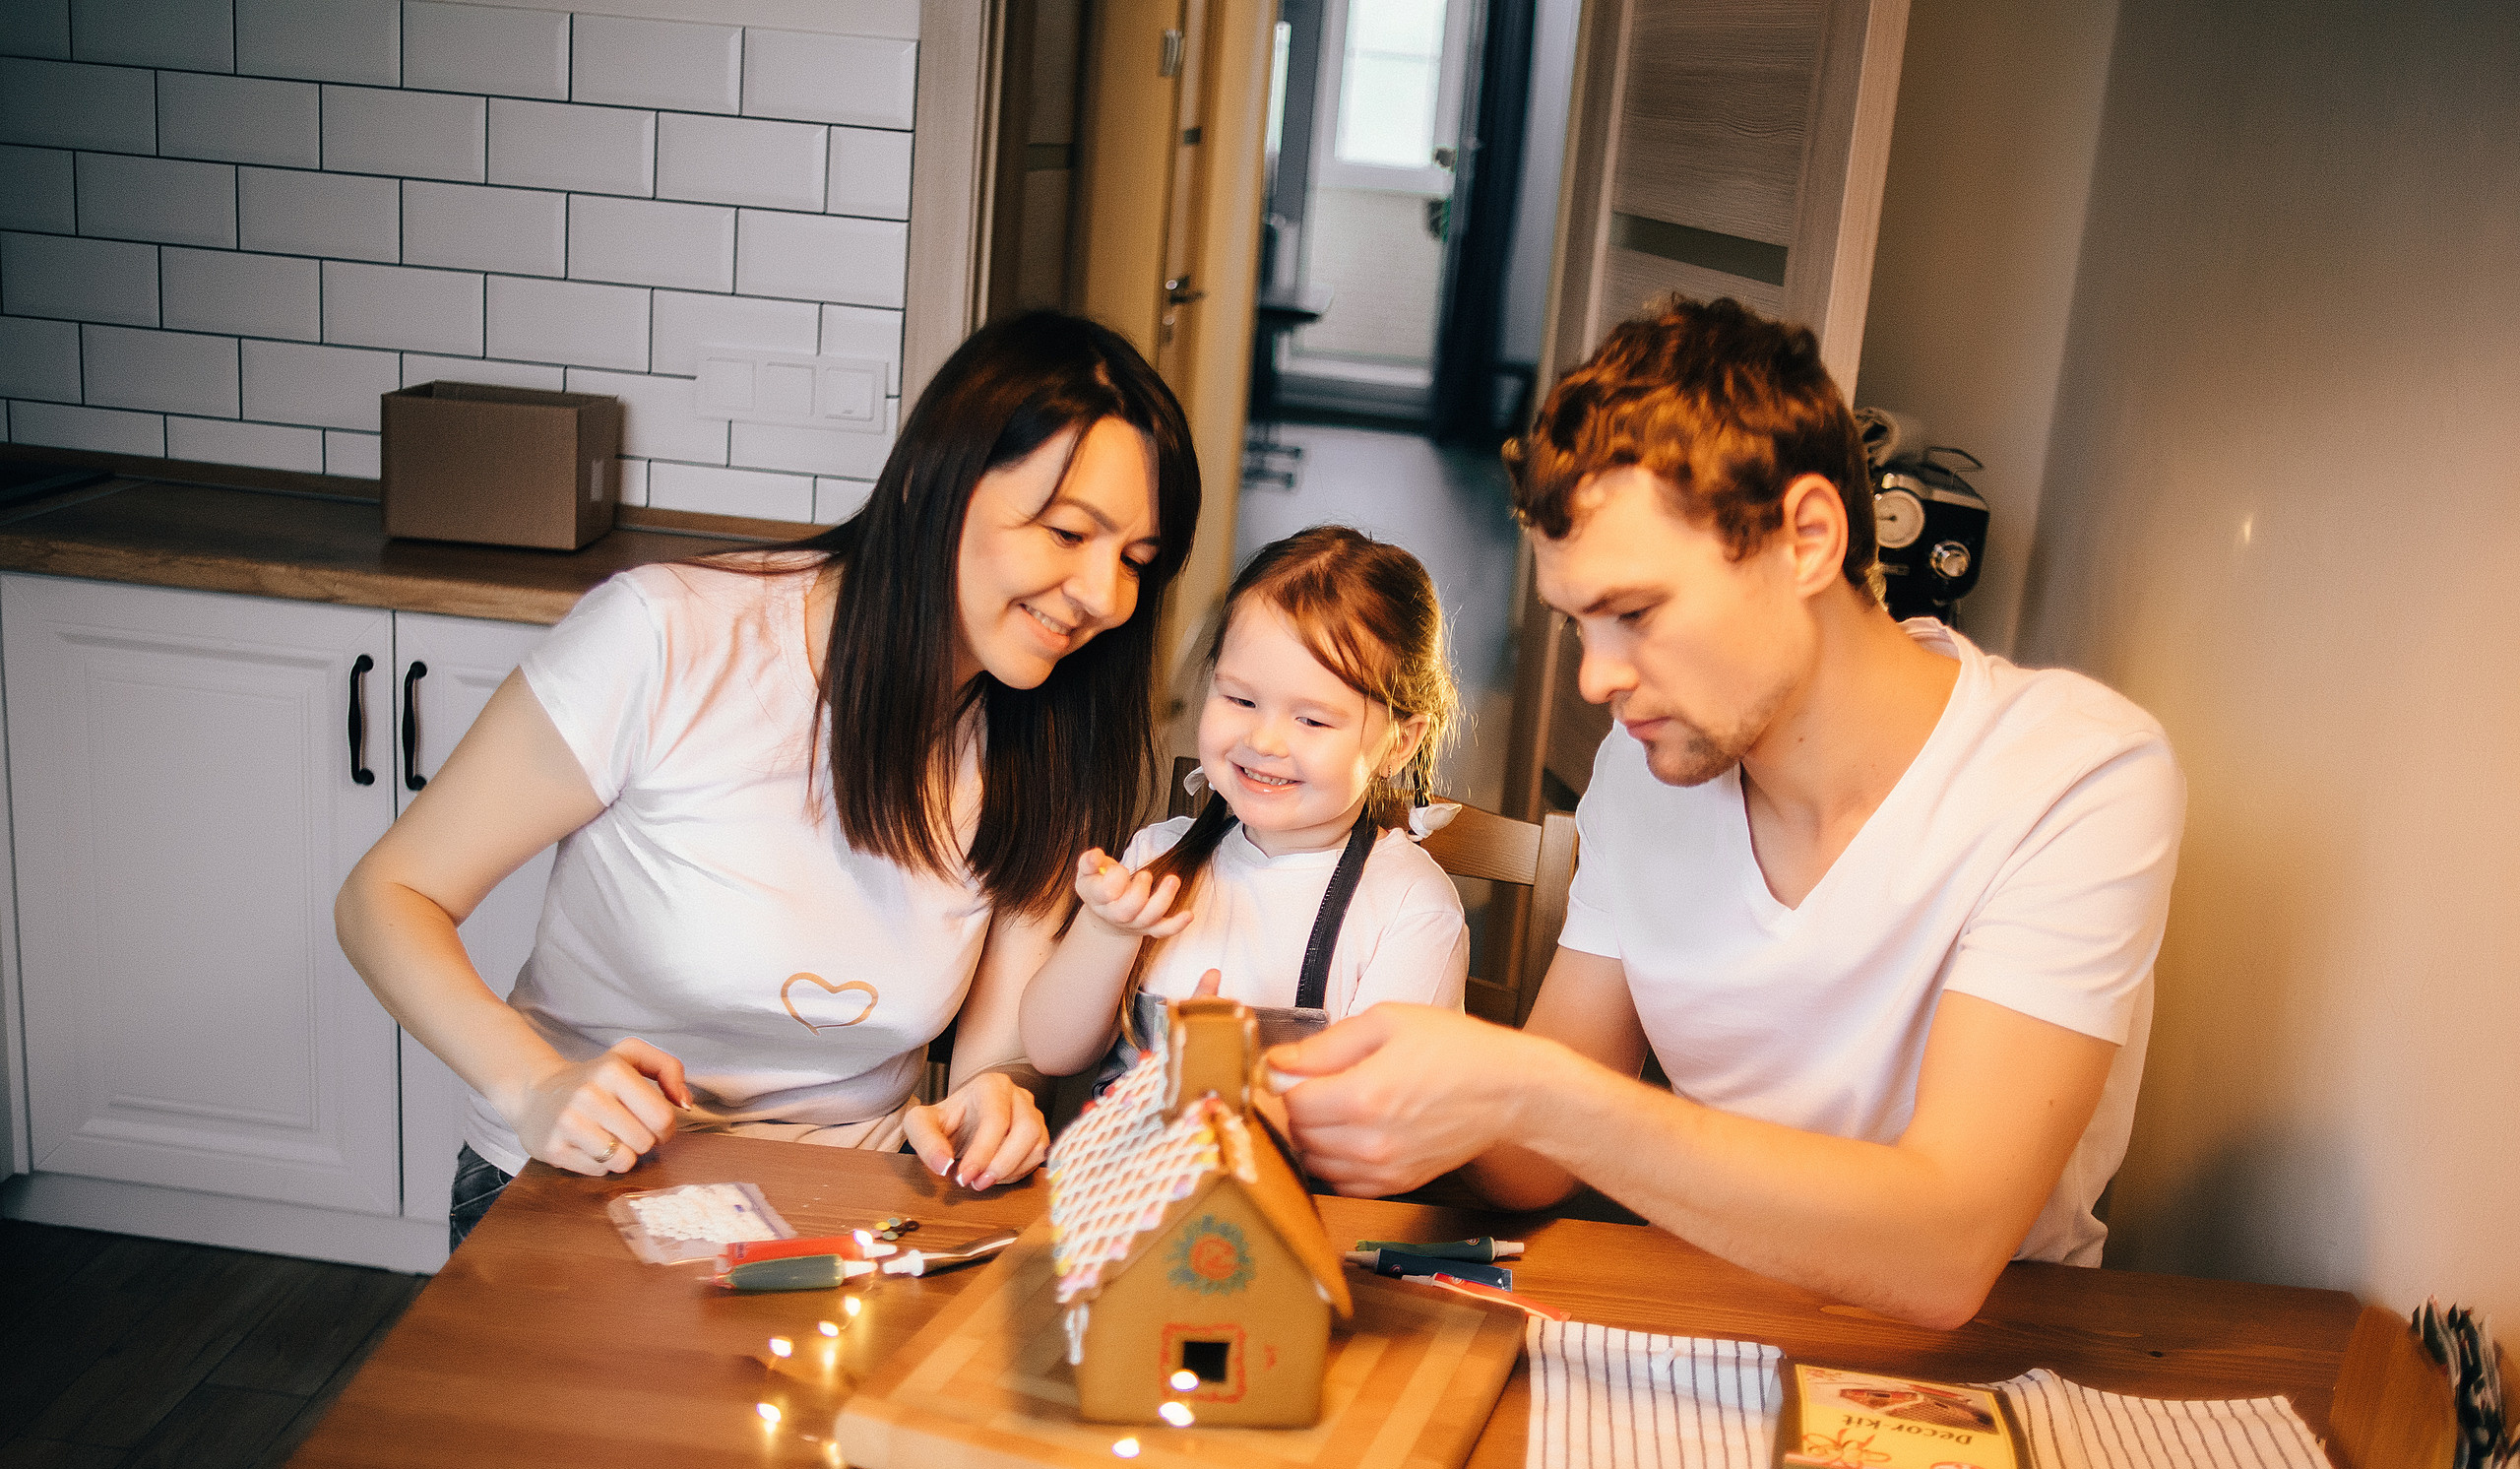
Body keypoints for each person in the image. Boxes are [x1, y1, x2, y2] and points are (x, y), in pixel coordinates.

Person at [1269, 296, 2185, 1329]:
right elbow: (1532, 1154)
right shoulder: (1644, 768)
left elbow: (1945, 1248)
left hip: (1986, 1361)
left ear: (1806, 538)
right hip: (1708, 1322)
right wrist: (1348, 1081)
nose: (1595, 680)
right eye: (1579, 624)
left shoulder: (2071, 773)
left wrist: (1531, 1088)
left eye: (1636, 614)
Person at [336, 311, 1199, 1245]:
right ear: (926, 485)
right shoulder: (668, 637)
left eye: (1137, 562)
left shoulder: (1045, 729)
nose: (1107, 597)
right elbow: (387, 895)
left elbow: (999, 1056)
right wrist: (534, 1083)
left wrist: (995, 1099)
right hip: (578, 1187)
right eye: (1069, 532)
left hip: (845, 1216)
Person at [1020, 526, 1469, 1082]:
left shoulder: (1408, 905)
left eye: (1312, 719)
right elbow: (1050, 1051)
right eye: (1240, 699)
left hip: (1289, 1171)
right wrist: (1108, 932)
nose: (1264, 742)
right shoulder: (1155, 861)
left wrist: (1221, 1086)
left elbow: (1383, 1117)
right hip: (1121, 1169)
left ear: (1398, 742)